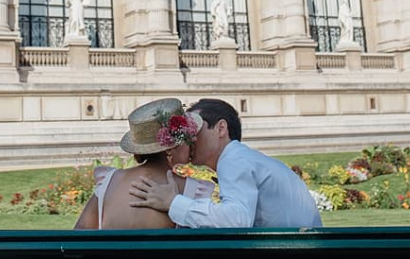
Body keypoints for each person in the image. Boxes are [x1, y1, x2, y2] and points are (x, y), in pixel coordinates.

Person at [130, 98, 322, 228]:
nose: (189, 139)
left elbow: (236, 220)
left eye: (196, 130)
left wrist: (173, 202)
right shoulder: (242, 159)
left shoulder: (234, 161)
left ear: (221, 128)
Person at [74, 98, 215, 230]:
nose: (192, 143)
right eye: (187, 138)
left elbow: (80, 233)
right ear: (170, 148)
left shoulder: (109, 181)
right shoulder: (193, 189)